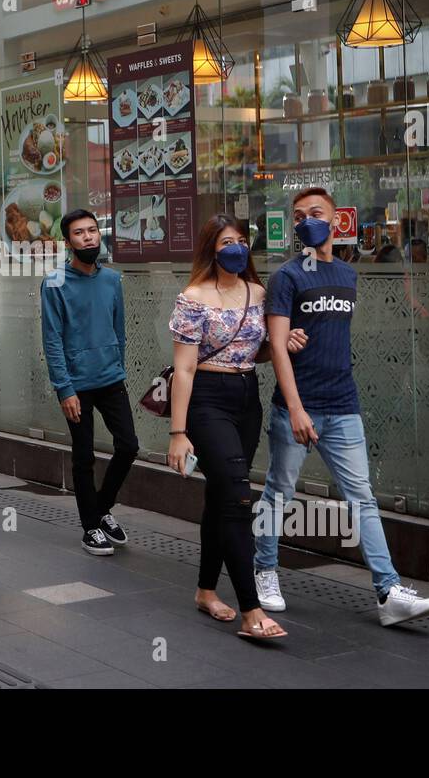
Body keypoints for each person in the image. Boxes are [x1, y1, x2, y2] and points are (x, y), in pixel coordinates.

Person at [254, 187, 429, 626]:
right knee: (278, 494)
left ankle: (389, 592)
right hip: (295, 407)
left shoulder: (347, 275)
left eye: (315, 213)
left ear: (336, 221)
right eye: (298, 216)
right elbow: (278, 348)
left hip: (343, 405)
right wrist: (296, 408)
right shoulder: (287, 277)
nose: (305, 222)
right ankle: (264, 571)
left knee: (363, 498)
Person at [167, 215, 302, 639]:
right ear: (212, 248)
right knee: (239, 499)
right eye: (227, 242)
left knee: (221, 496)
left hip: (247, 397)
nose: (236, 249)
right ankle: (251, 609)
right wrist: (178, 432)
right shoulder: (193, 297)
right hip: (206, 399)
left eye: (241, 241)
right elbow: (184, 370)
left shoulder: (259, 292)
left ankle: (206, 591)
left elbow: (257, 351)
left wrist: (283, 344)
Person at [40, 208, 136, 556]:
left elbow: (119, 329)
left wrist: (119, 366)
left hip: (111, 378)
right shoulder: (55, 283)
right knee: (84, 456)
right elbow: (51, 339)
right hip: (76, 384)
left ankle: (101, 508)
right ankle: (90, 526)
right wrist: (63, 388)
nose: (88, 237)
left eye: (93, 231)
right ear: (68, 242)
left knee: (129, 445)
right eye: (79, 233)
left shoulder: (112, 280)